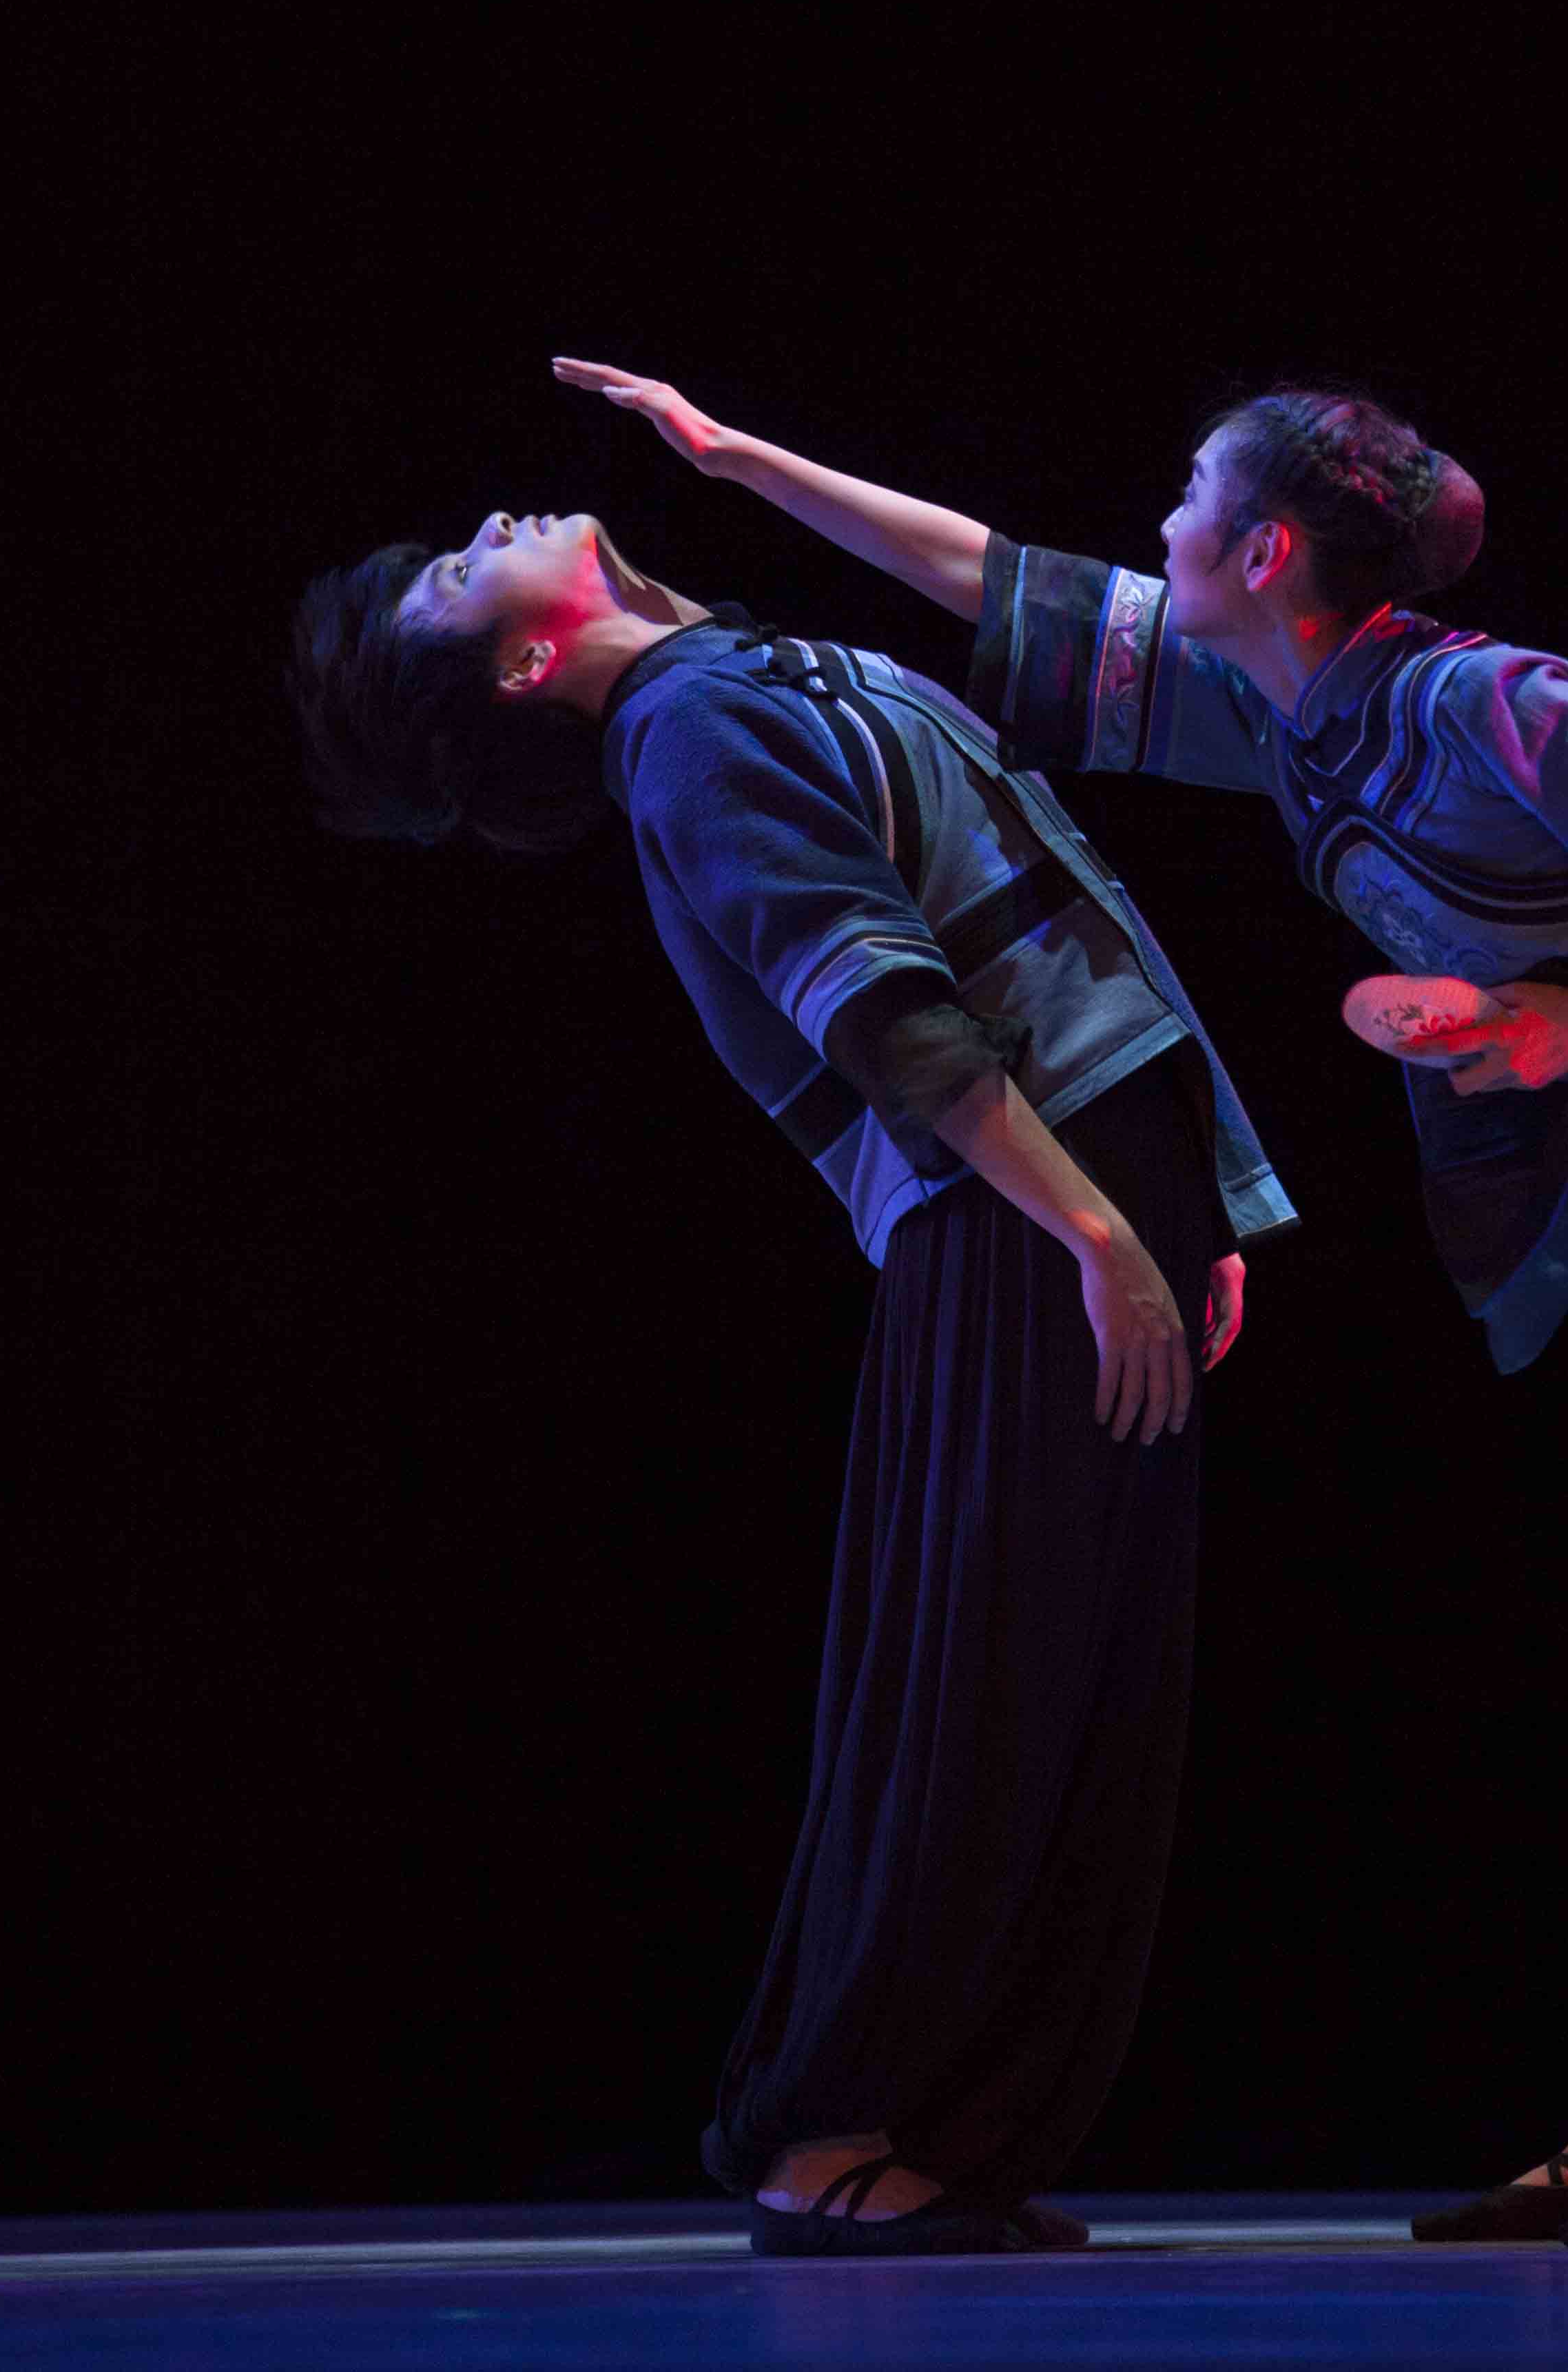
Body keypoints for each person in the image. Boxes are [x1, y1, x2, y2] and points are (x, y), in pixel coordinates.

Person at [551, 355, 1568, 2253]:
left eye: (1191, 492)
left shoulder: (1472, 694)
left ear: (1264, 550)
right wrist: (736, 455)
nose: (1157, 520)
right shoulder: (1287, 711)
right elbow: (1001, 580)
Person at [289, 500, 1294, 2257]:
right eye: (457, 572)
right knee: (981, 1669)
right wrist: (1096, 1231)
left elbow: (1046, 888)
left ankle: (956, 2131)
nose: (486, 525)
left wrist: (1177, 1198)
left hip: (1079, 1180)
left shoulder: (731, 666)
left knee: (1086, 1672)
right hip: (1014, 1212)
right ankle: (830, 2121)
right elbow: (887, 1012)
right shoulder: (688, 730)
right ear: (522, 664)